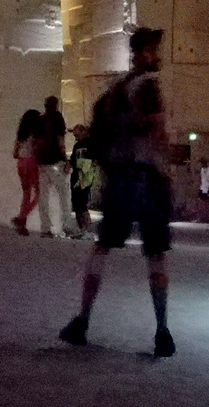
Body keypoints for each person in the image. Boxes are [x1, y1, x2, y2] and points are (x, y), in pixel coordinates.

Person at [60, 27, 175, 357]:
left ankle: (82, 320)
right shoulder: (149, 87)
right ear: (141, 52)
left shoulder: (116, 89)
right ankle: (162, 331)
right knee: (156, 254)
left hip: (120, 178)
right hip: (148, 178)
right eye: (153, 49)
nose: (158, 55)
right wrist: (165, 167)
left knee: (101, 248)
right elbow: (158, 131)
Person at [35, 96, 71, 238]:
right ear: (56, 105)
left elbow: (36, 141)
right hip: (55, 161)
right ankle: (67, 226)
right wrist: (65, 159)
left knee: (43, 197)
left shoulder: (40, 119)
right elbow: (60, 140)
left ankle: (45, 228)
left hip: (42, 162)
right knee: (64, 195)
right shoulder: (57, 117)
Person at [11, 108, 41, 235]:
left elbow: (15, 153)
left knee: (26, 194)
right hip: (31, 163)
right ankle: (21, 218)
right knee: (39, 193)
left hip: (21, 164)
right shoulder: (35, 134)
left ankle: (22, 225)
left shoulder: (21, 134)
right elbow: (37, 150)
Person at [68, 123, 97, 237]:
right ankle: (82, 229)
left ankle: (87, 229)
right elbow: (73, 159)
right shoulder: (77, 146)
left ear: (84, 132)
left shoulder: (91, 144)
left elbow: (92, 160)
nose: (76, 138)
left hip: (85, 177)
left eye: (77, 135)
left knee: (82, 204)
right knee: (76, 205)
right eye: (75, 136)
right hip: (76, 176)